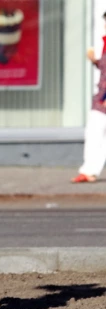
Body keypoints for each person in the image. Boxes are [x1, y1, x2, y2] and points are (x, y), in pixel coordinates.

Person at [72, 12, 106, 183]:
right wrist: (95, 61)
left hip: (104, 97)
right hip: (101, 97)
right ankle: (89, 170)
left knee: (97, 132)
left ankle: (90, 170)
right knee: (94, 132)